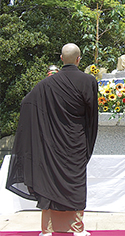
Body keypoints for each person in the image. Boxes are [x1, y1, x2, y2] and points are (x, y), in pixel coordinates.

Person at [6, 43, 99, 236]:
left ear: (61, 58)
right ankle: (77, 228)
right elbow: (92, 117)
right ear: (79, 59)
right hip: (76, 142)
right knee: (75, 183)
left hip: (50, 144)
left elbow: (26, 103)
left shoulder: (45, 84)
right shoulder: (88, 81)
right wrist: (87, 142)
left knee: (49, 182)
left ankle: (47, 229)